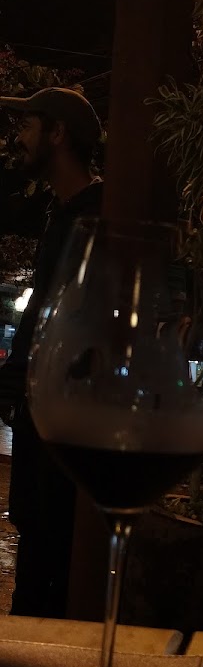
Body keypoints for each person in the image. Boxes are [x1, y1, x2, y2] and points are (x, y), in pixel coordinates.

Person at [0, 87, 103, 616]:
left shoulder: (98, 216)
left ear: (57, 133)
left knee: (53, 549)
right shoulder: (60, 213)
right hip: (37, 411)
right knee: (34, 535)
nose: (17, 138)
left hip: (65, 418)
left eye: (27, 125)